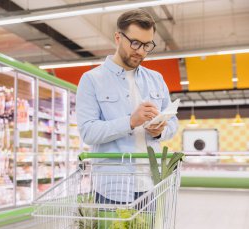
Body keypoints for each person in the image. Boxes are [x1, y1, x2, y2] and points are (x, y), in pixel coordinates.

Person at [76, 9, 178, 204]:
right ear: (117, 37)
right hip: (112, 188)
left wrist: (160, 131)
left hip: (151, 185)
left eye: (147, 45)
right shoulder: (92, 80)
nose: (140, 51)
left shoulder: (156, 79)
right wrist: (130, 122)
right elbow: (88, 132)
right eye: (135, 43)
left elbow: (173, 122)